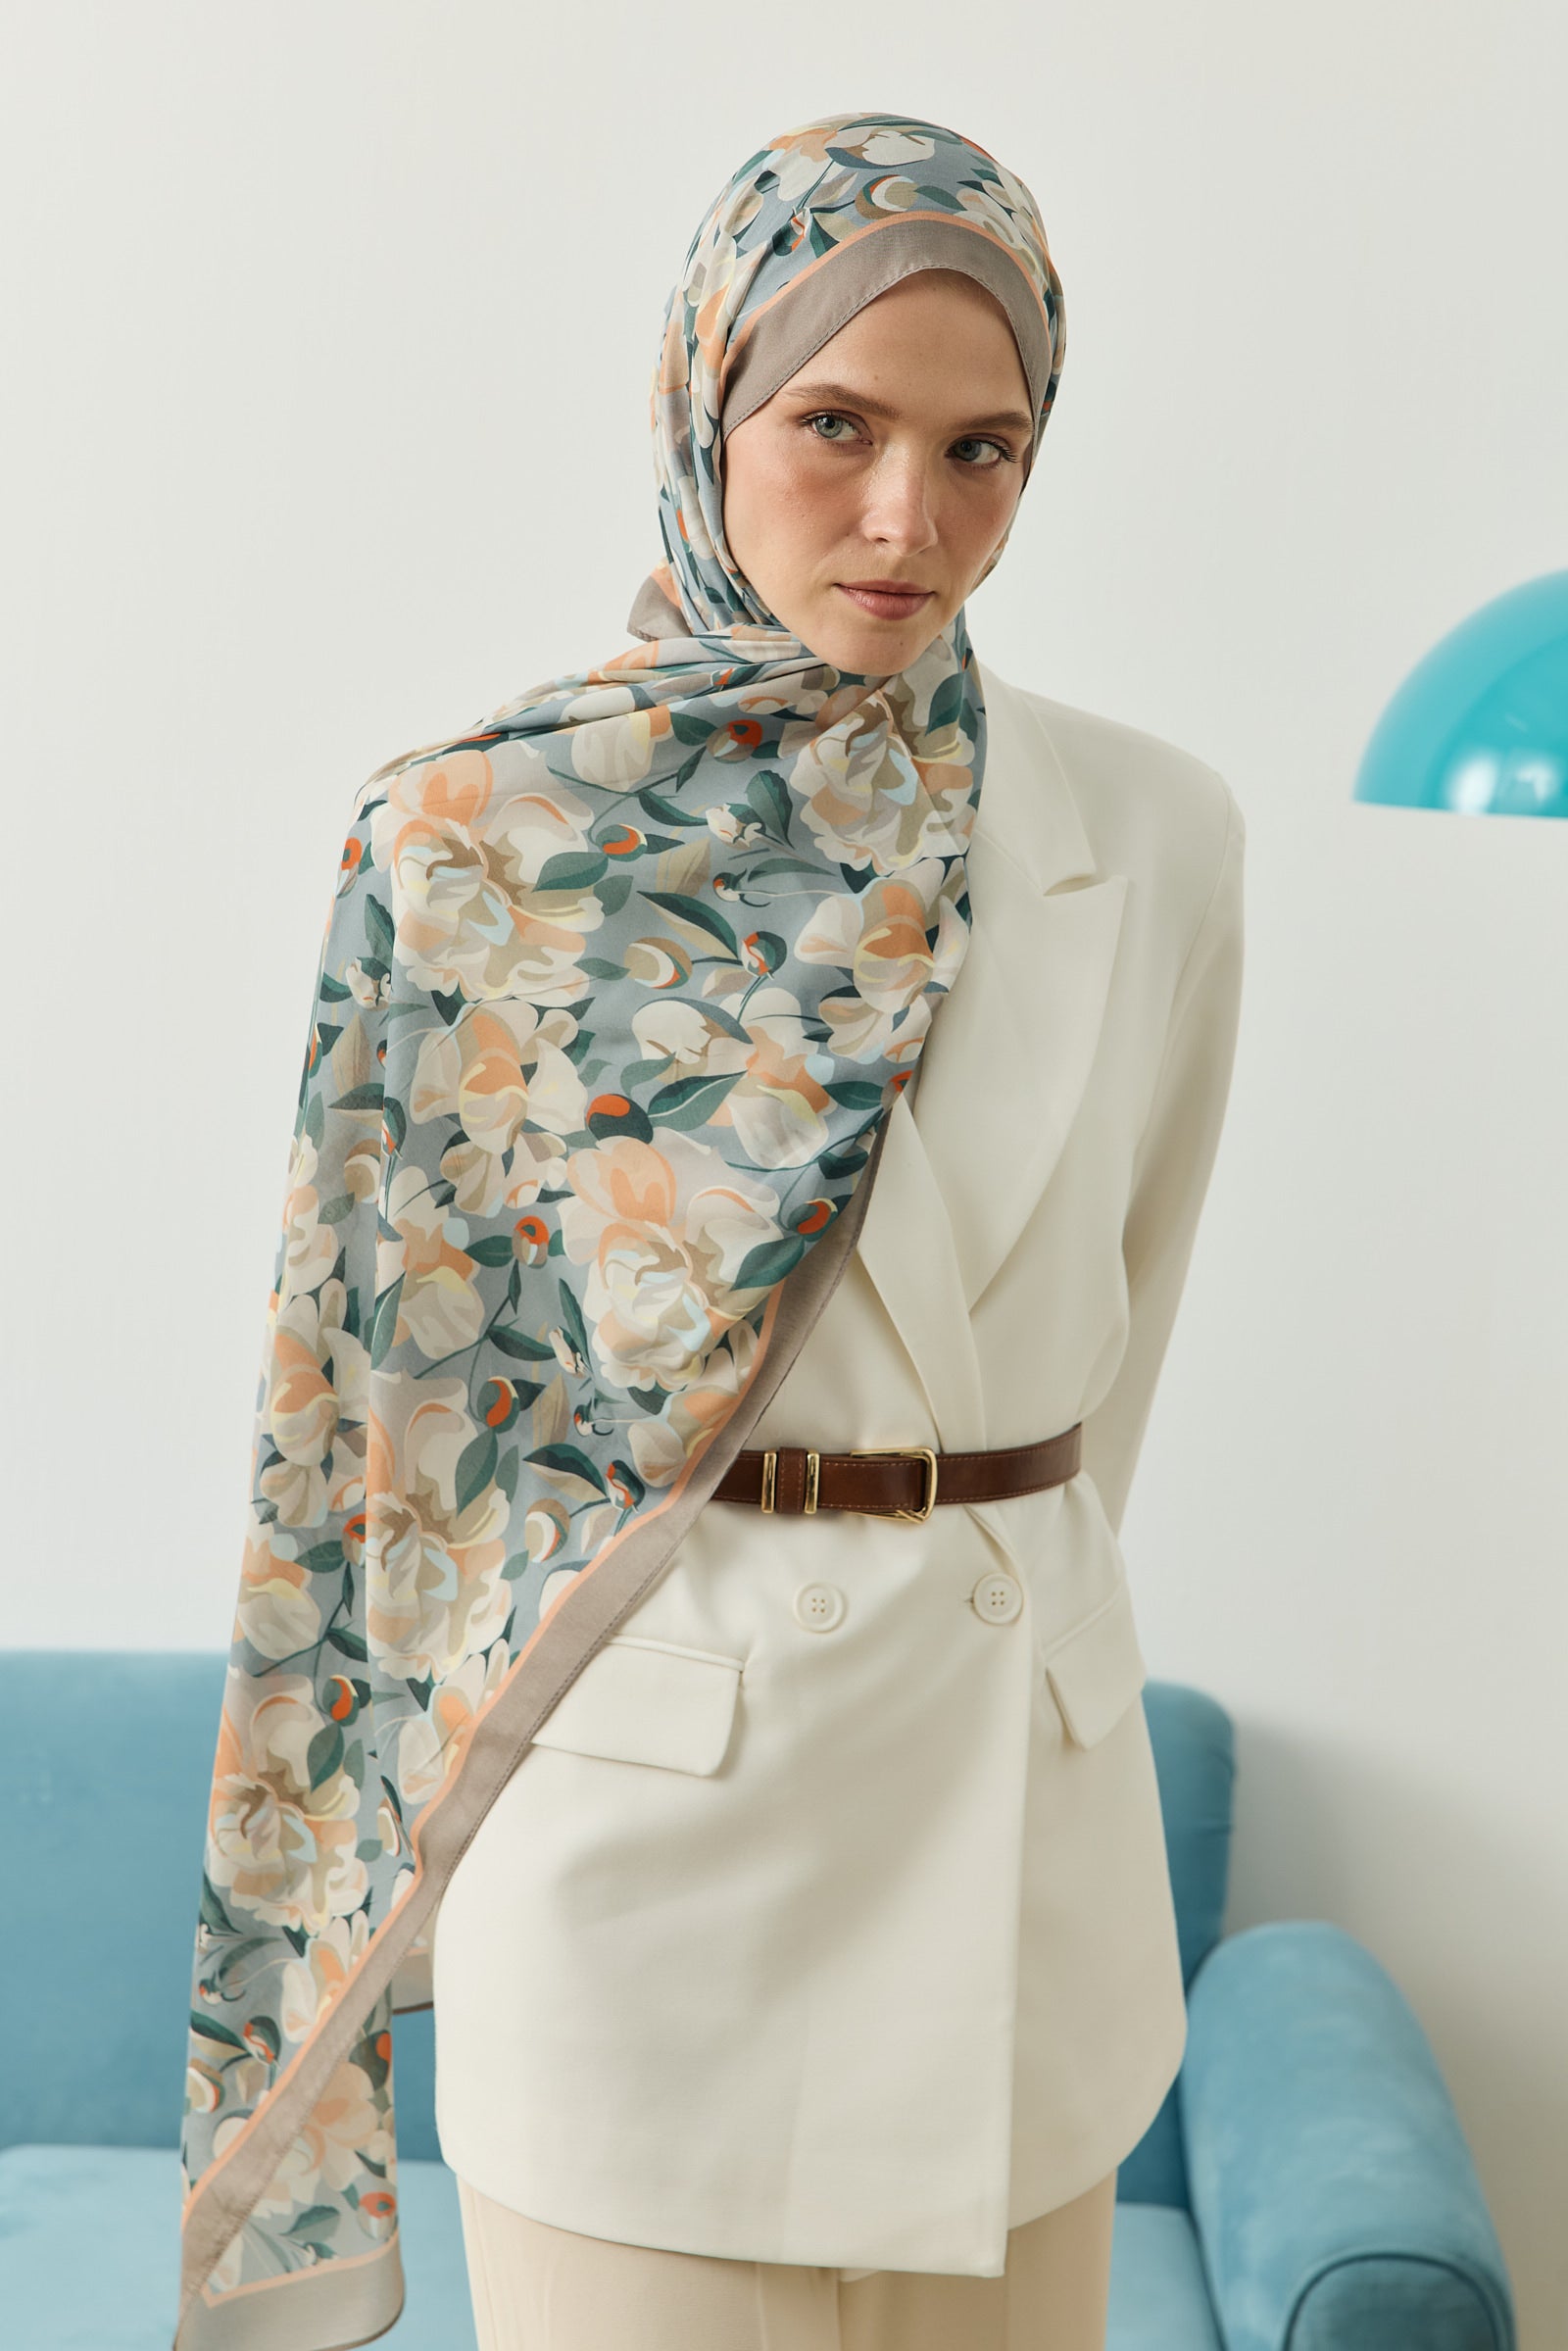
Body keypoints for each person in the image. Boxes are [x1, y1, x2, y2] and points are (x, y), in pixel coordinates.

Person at [175, 108, 1245, 2351]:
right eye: (833, 424)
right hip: (644, 1864)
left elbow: (1118, 1337)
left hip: (1022, 1875)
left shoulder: (1156, 832)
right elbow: (378, 1409)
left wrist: (997, 1594)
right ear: (703, 405)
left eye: (980, 449)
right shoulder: (468, 840)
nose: (905, 518)